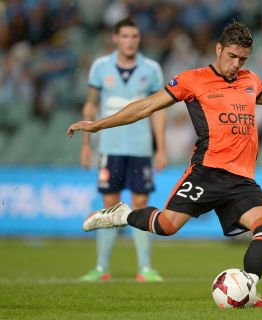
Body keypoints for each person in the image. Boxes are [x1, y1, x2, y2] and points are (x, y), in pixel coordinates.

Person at [67, 21, 262, 307]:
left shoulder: (249, 80)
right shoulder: (192, 80)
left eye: (243, 59)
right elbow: (145, 106)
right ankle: (122, 215)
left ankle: (248, 289)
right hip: (206, 173)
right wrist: (98, 125)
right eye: (232, 56)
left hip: (241, 179)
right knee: (167, 226)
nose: (236, 64)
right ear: (219, 49)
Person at [78, 18, 167, 282]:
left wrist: (160, 147)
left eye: (135, 36)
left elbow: (158, 111)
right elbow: (91, 106)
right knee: (109, 203)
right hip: (110, 146)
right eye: (125, 36)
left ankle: (145, 268)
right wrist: (85, 145)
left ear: (139, 39)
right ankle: (101, 268)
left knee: (140, 204)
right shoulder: (100, 67)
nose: (130, 40)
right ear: (116, 38)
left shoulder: (151, 69)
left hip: (140, 148)